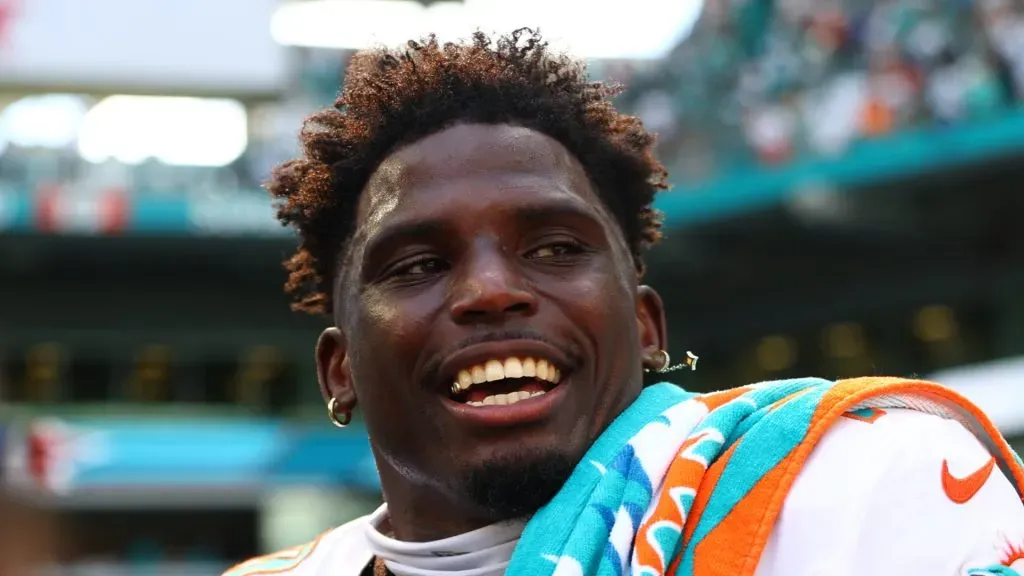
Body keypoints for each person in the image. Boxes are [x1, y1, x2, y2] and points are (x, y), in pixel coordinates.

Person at [225, 29, 1024, 576]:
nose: (492, 291)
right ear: (338, 371)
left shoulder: (855, 490)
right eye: (420, 263)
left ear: (647, 328)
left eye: (555, 249)